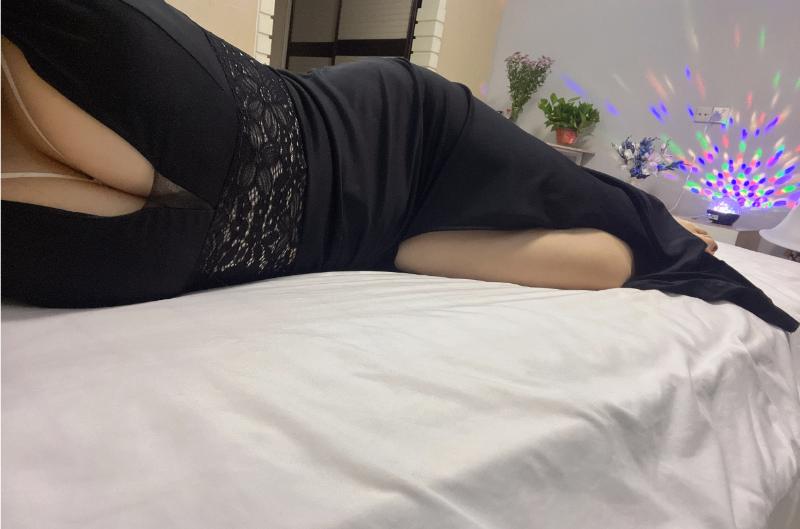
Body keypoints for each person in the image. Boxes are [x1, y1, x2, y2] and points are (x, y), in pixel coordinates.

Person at [1, 0, 796, 333]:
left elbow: (582, 229)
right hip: (197, 240)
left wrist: (660, 224)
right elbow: (420, 249)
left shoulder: (461, 134)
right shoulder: (599, 231)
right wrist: (664, 224)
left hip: (232, 115)